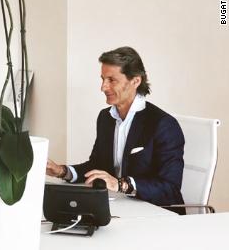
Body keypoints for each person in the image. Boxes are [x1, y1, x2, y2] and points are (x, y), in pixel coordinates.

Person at [47, 46, 185, 214]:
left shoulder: (163, 124)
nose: (103, 87)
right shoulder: (106, 118)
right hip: (121, 209)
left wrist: (120, 185)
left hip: (158, 213)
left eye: (112, 80)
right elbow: (97, 166)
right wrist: (62, 171)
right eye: (103, 79)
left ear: (135, 81)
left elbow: (169, 188)